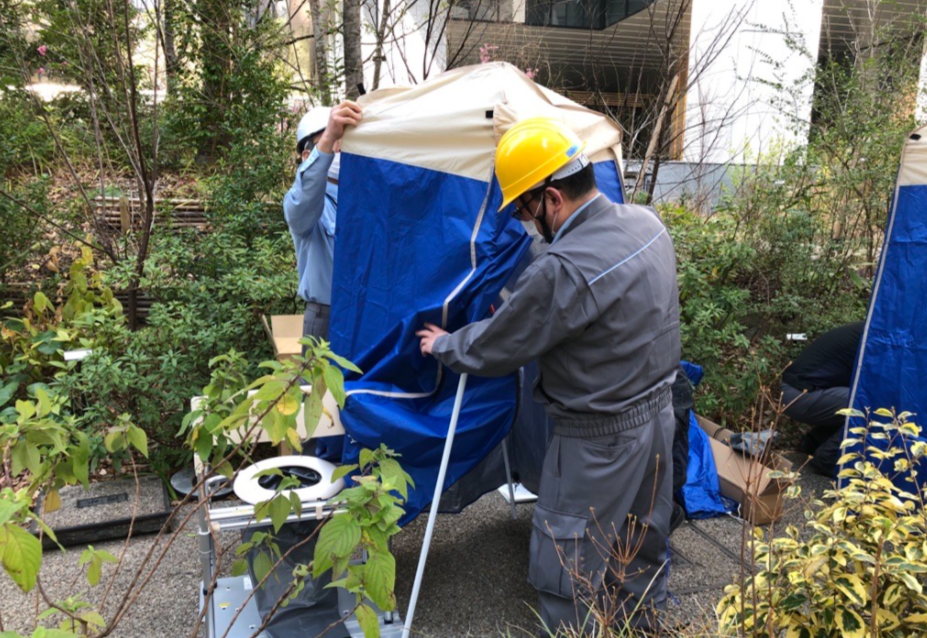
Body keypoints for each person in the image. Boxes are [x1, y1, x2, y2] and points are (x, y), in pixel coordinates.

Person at [417, 118, 681, 636]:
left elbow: (499, 345)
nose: (522, 223)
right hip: (658, 420)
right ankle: (643, 627)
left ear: (552, 199)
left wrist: (443, 344)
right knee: (640, 546)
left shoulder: (563, 268)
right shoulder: (649, 224)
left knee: (568, 567)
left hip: (598, 441)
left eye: (522, 209)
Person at [284, 100, 362, 343]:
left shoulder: (362, 199)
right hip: (325, 316)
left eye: (344, 142)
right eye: (331, 142)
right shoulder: (302, 202)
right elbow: (304, 198)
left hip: (366, 311)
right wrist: (329, 137)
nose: (339, 149)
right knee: (318, 382)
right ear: (308, 155)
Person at [781, 321, 864, 476]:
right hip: (799, 394)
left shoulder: (865, 331)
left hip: (797, 390)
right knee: (868, 406)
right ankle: (827, 459)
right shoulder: (873, 339)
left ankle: (812, 443)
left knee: (856, 399)